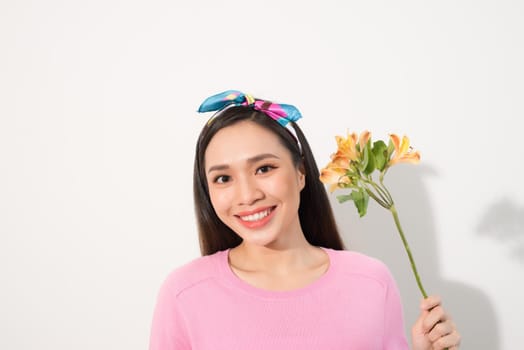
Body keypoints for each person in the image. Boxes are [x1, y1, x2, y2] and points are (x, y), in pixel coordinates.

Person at [149, 90, 461, 349]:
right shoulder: (184, 293)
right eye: (223, 178)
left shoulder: (371, 282)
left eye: (264, 169)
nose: (247, 195)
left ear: (300, 173)